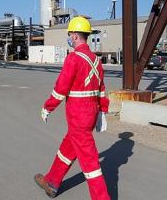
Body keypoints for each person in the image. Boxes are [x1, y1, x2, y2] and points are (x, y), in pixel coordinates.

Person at [34, 16, 110, 199]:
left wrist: (48, 107)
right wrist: (102, 112)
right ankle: (51, 181)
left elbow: (61, 89)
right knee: (67, 149)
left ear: (75, 36)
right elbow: (101, 90)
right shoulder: (96, 61)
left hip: (78, 115)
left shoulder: (73, 59)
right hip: (90, 113)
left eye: (70, 35)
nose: (69, 38)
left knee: (90, 163)